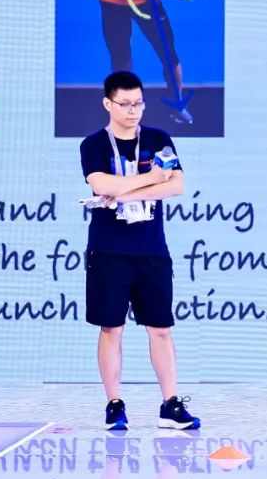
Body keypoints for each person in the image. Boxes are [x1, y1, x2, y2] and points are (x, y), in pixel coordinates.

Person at [80, 70, 199, 431]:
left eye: (139, 103)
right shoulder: (93, 145)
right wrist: (150, 179)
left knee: (161, 328)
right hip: (108, 251)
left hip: (151, 250)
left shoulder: (160, 139)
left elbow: (176, 186)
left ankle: (170, 404)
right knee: (111, 328)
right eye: (125, 104)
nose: (133, 111)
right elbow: (100, 183)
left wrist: (123, 193)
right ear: (108, 104)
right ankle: (114, 404)